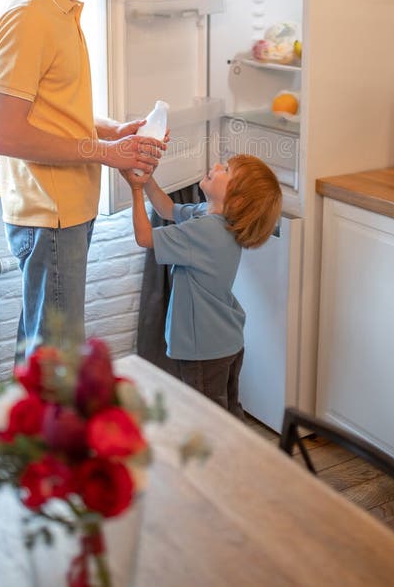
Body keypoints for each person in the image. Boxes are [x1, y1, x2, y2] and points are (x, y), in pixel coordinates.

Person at [0, 0, 167, 360]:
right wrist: (107, 154)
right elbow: (7, 134)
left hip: (65, 211)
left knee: (45, 354)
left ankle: (34, 433)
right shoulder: (30, 17)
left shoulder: (59, 8)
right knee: (56, 363)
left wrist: (113, 131)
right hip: (51, 214)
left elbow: (53, 110)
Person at [121, 154, 282, 417]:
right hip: (226, 340)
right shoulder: (212, 217)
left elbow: (144, 236)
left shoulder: (206, 231)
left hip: (203, 348)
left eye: (226, 170)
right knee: (228, 414)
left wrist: (136, 190)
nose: (217, 166)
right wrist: (148, 180)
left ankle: (222, 458)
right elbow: (167, 209)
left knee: (207, 420)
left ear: (237, 199)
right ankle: (239, 455)